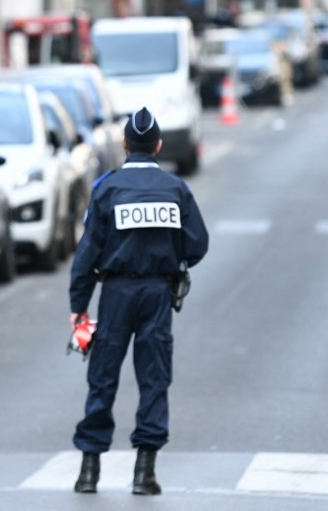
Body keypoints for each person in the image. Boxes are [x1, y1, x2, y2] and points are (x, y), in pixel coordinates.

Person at [69, 107, 209, 495]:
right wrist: (172, 260)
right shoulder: (175, 188)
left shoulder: (107, 188)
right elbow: (198, 244)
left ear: (125, 145)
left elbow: (86, 256)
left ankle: (88, 473)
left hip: (115, 293)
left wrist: (78, 307)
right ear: (159, 145)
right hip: (157, 294)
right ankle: (144, 474)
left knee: (102, 379)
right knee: (154, 379)